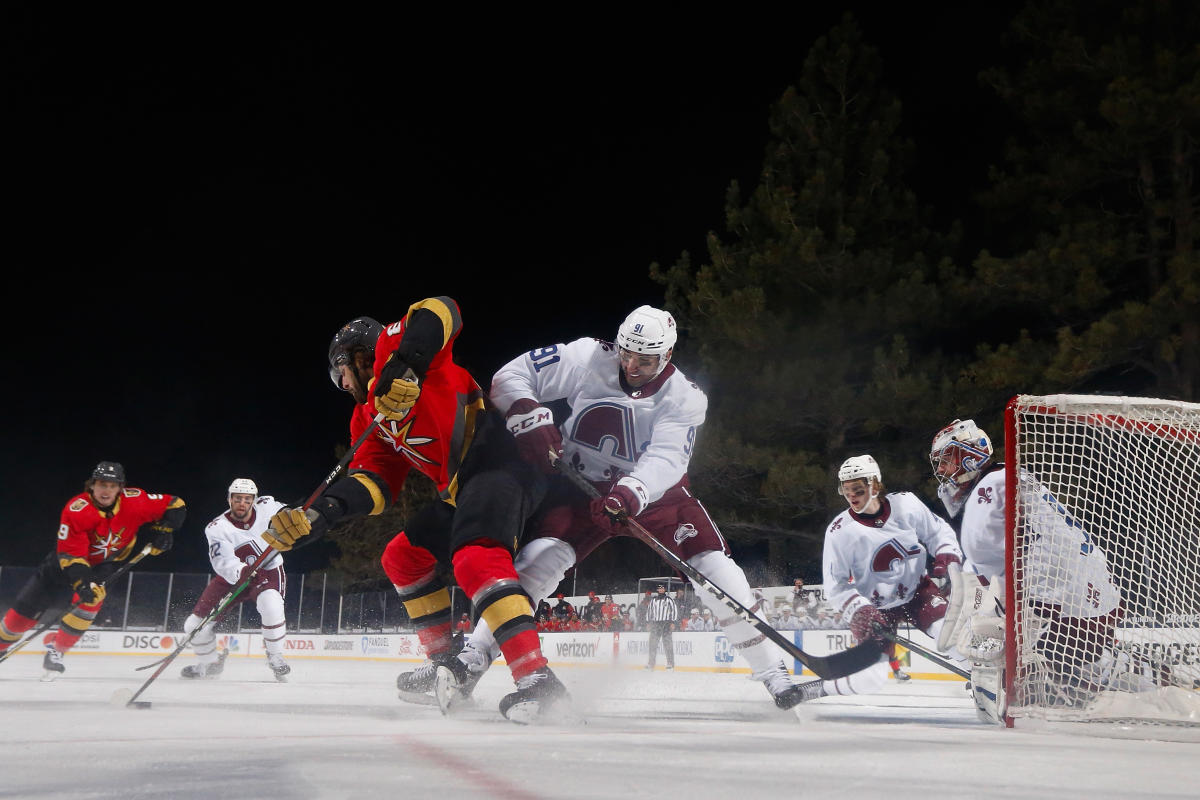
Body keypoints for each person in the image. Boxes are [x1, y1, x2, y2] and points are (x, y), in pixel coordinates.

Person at [429, 305, 811, 711]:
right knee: (533, 566)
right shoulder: (588, 356)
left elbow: (666, 458)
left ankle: (774, 674)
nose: (631, 365)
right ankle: (473, 658)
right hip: (581, 489)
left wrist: (631, 491)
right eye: (627, 353)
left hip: (656, 497)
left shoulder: (685, 397)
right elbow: (510, 376)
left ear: (666, 356)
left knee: (717, 573)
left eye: (644, 359)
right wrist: (527, 411)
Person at [259, 299, 566, 723]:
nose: (342, 384)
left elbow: (444, 310)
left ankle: (538, 681)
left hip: (502, 465)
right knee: (401, 557)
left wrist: (405, 366)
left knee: (474, 557)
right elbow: (376, 485)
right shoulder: (365, 416)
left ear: (358, 358)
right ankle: (445, 662)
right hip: (463, 491)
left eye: (340, 374)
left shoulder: (390, 347)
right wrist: (320, 514)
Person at [928, 419, 1172, 721]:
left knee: (1033, 662)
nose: (941, 471)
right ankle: (1153, 676)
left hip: (1069, 597)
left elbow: (1031, 549)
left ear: (970, 454)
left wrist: (1035, 607)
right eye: (938, 463)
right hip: (1087, 591)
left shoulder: (990, 488)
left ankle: (1152, 681)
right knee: (1080, 663)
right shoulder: (1006, 479)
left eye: (946, 459)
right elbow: (1003, 553)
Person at [790, 455, 963, 705]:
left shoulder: (906, 505)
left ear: (875, 485)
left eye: (857, 489)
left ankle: (991, 687)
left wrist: (947, 554)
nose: (851, 495)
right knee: (872, 678)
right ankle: (810, 691)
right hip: (875, 610)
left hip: (918, 593)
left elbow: (938, 532)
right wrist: (860, 610)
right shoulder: (840, 532)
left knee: (955, 638)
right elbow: (835, 584)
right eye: (846, 490)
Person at [0, 461, 183, 679]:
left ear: (120, 488)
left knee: (90, 602)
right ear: (92, 485)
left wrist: (164, 530)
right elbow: (72, 556)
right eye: (102, 484)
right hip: (63, 564)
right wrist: (81, 582)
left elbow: (176, 504)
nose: (106, 490)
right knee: (20, 619)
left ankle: (56, 652)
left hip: (104, 566)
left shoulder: (135, 501)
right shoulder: (77, 509)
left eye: (112, 486)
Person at [182, 478, 289, 681]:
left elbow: (293, 514)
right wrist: (241, 571)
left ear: (254, 500)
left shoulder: (267, 506)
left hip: (267, 571)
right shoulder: (216, 527)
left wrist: (305, 516)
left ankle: (275, 656)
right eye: (237, 498)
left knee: (272, 605)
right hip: (234, 577)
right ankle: (209, 664)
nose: (242, 503)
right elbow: (221, 560)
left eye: (247, 499)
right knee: (193, 626)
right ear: (229, 499)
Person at [644, 584, 678, 669]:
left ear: (665, 590)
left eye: (662, 588)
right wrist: (648, 622)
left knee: (667, 644)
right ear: (657, 590)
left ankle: (670, 663)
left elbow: (674, 610)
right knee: (653, 644)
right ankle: (651, 663)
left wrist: (672, 622)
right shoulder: (654, 600)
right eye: (659, 588)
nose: (661, 590)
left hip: (666, 623)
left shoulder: (669, 599)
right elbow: (649, 611)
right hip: (656, 624)